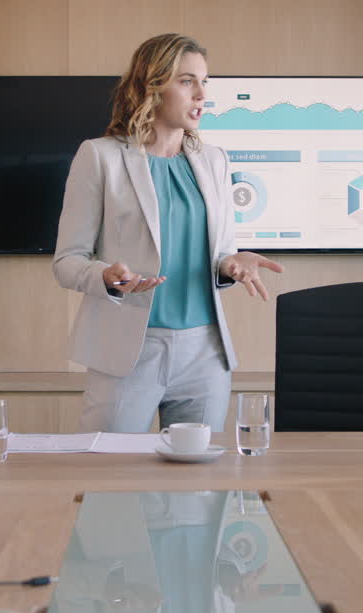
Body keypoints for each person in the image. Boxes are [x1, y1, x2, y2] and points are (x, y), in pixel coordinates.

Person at [53, 34, 283, 433]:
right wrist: (105, 277)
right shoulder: (100, 156)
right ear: (152, 86)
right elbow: (67, 261)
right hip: (127, 352)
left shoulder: (214, 161)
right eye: (187, 81)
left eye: (205, 82)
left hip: (205, 353)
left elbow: (218, 255)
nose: (201, 95)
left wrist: (231, 264)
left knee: (197, 488)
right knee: (112, 484)